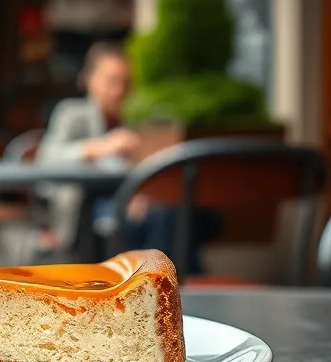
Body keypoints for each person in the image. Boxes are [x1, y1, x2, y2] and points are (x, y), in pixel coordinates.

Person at [36, 42, 218, 273]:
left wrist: (141, 192)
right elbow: (47, 157)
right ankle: (166, 284)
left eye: (125, 82)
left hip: (136, 204)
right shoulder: (73, 113)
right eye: (112, 81)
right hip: (87, 211)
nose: (119, 89)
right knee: (167, 222)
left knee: (178, 216)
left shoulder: (138, 117)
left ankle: (170, 285)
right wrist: (98, 147)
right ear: (90, 80)